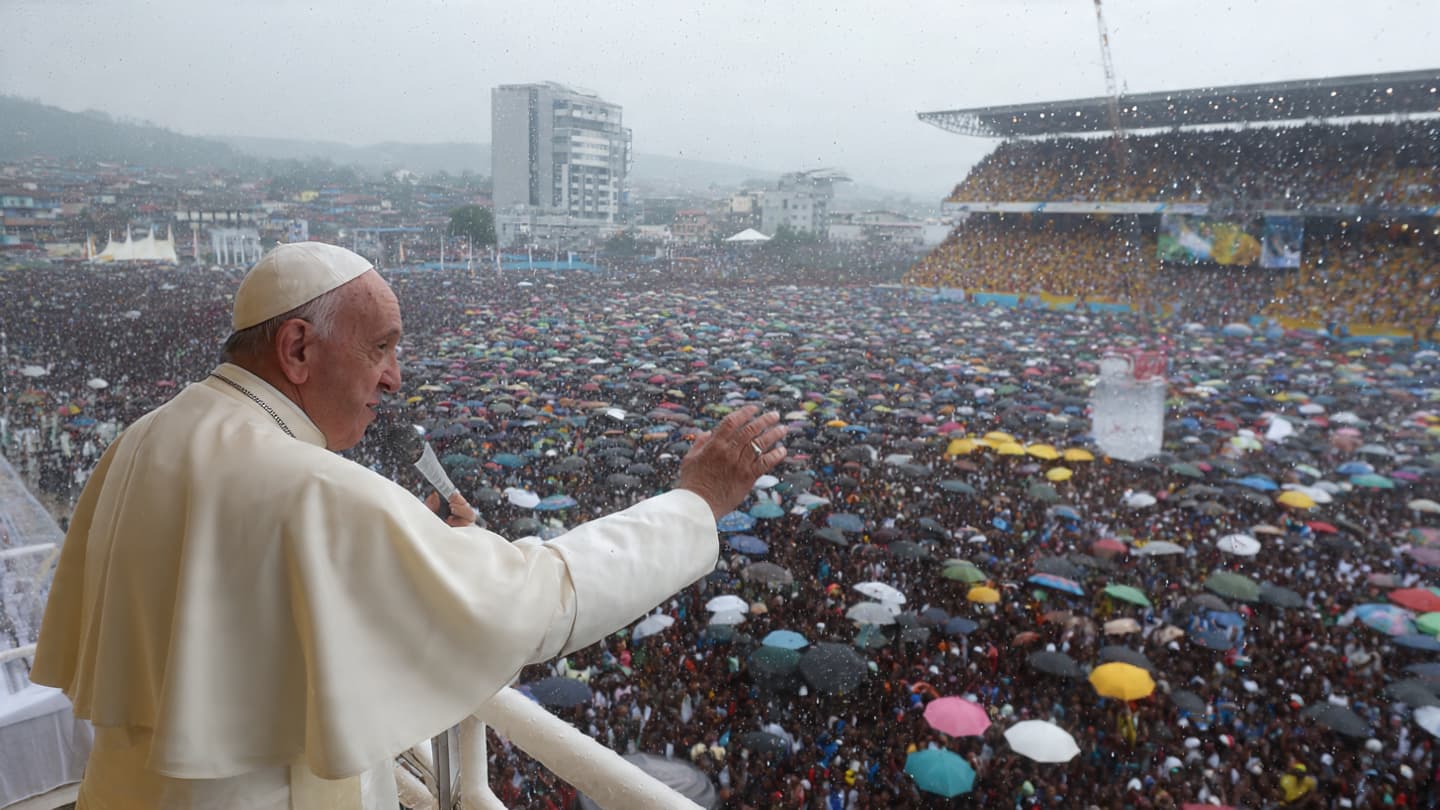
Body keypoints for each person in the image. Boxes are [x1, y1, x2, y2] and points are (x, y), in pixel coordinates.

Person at [30, 242, 788, 809]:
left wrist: (430, 553)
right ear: (297, 348)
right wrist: (695, 504)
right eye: (382, 347)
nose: (396, 377)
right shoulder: (311, 487)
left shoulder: (149, 436)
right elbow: (535, 601)